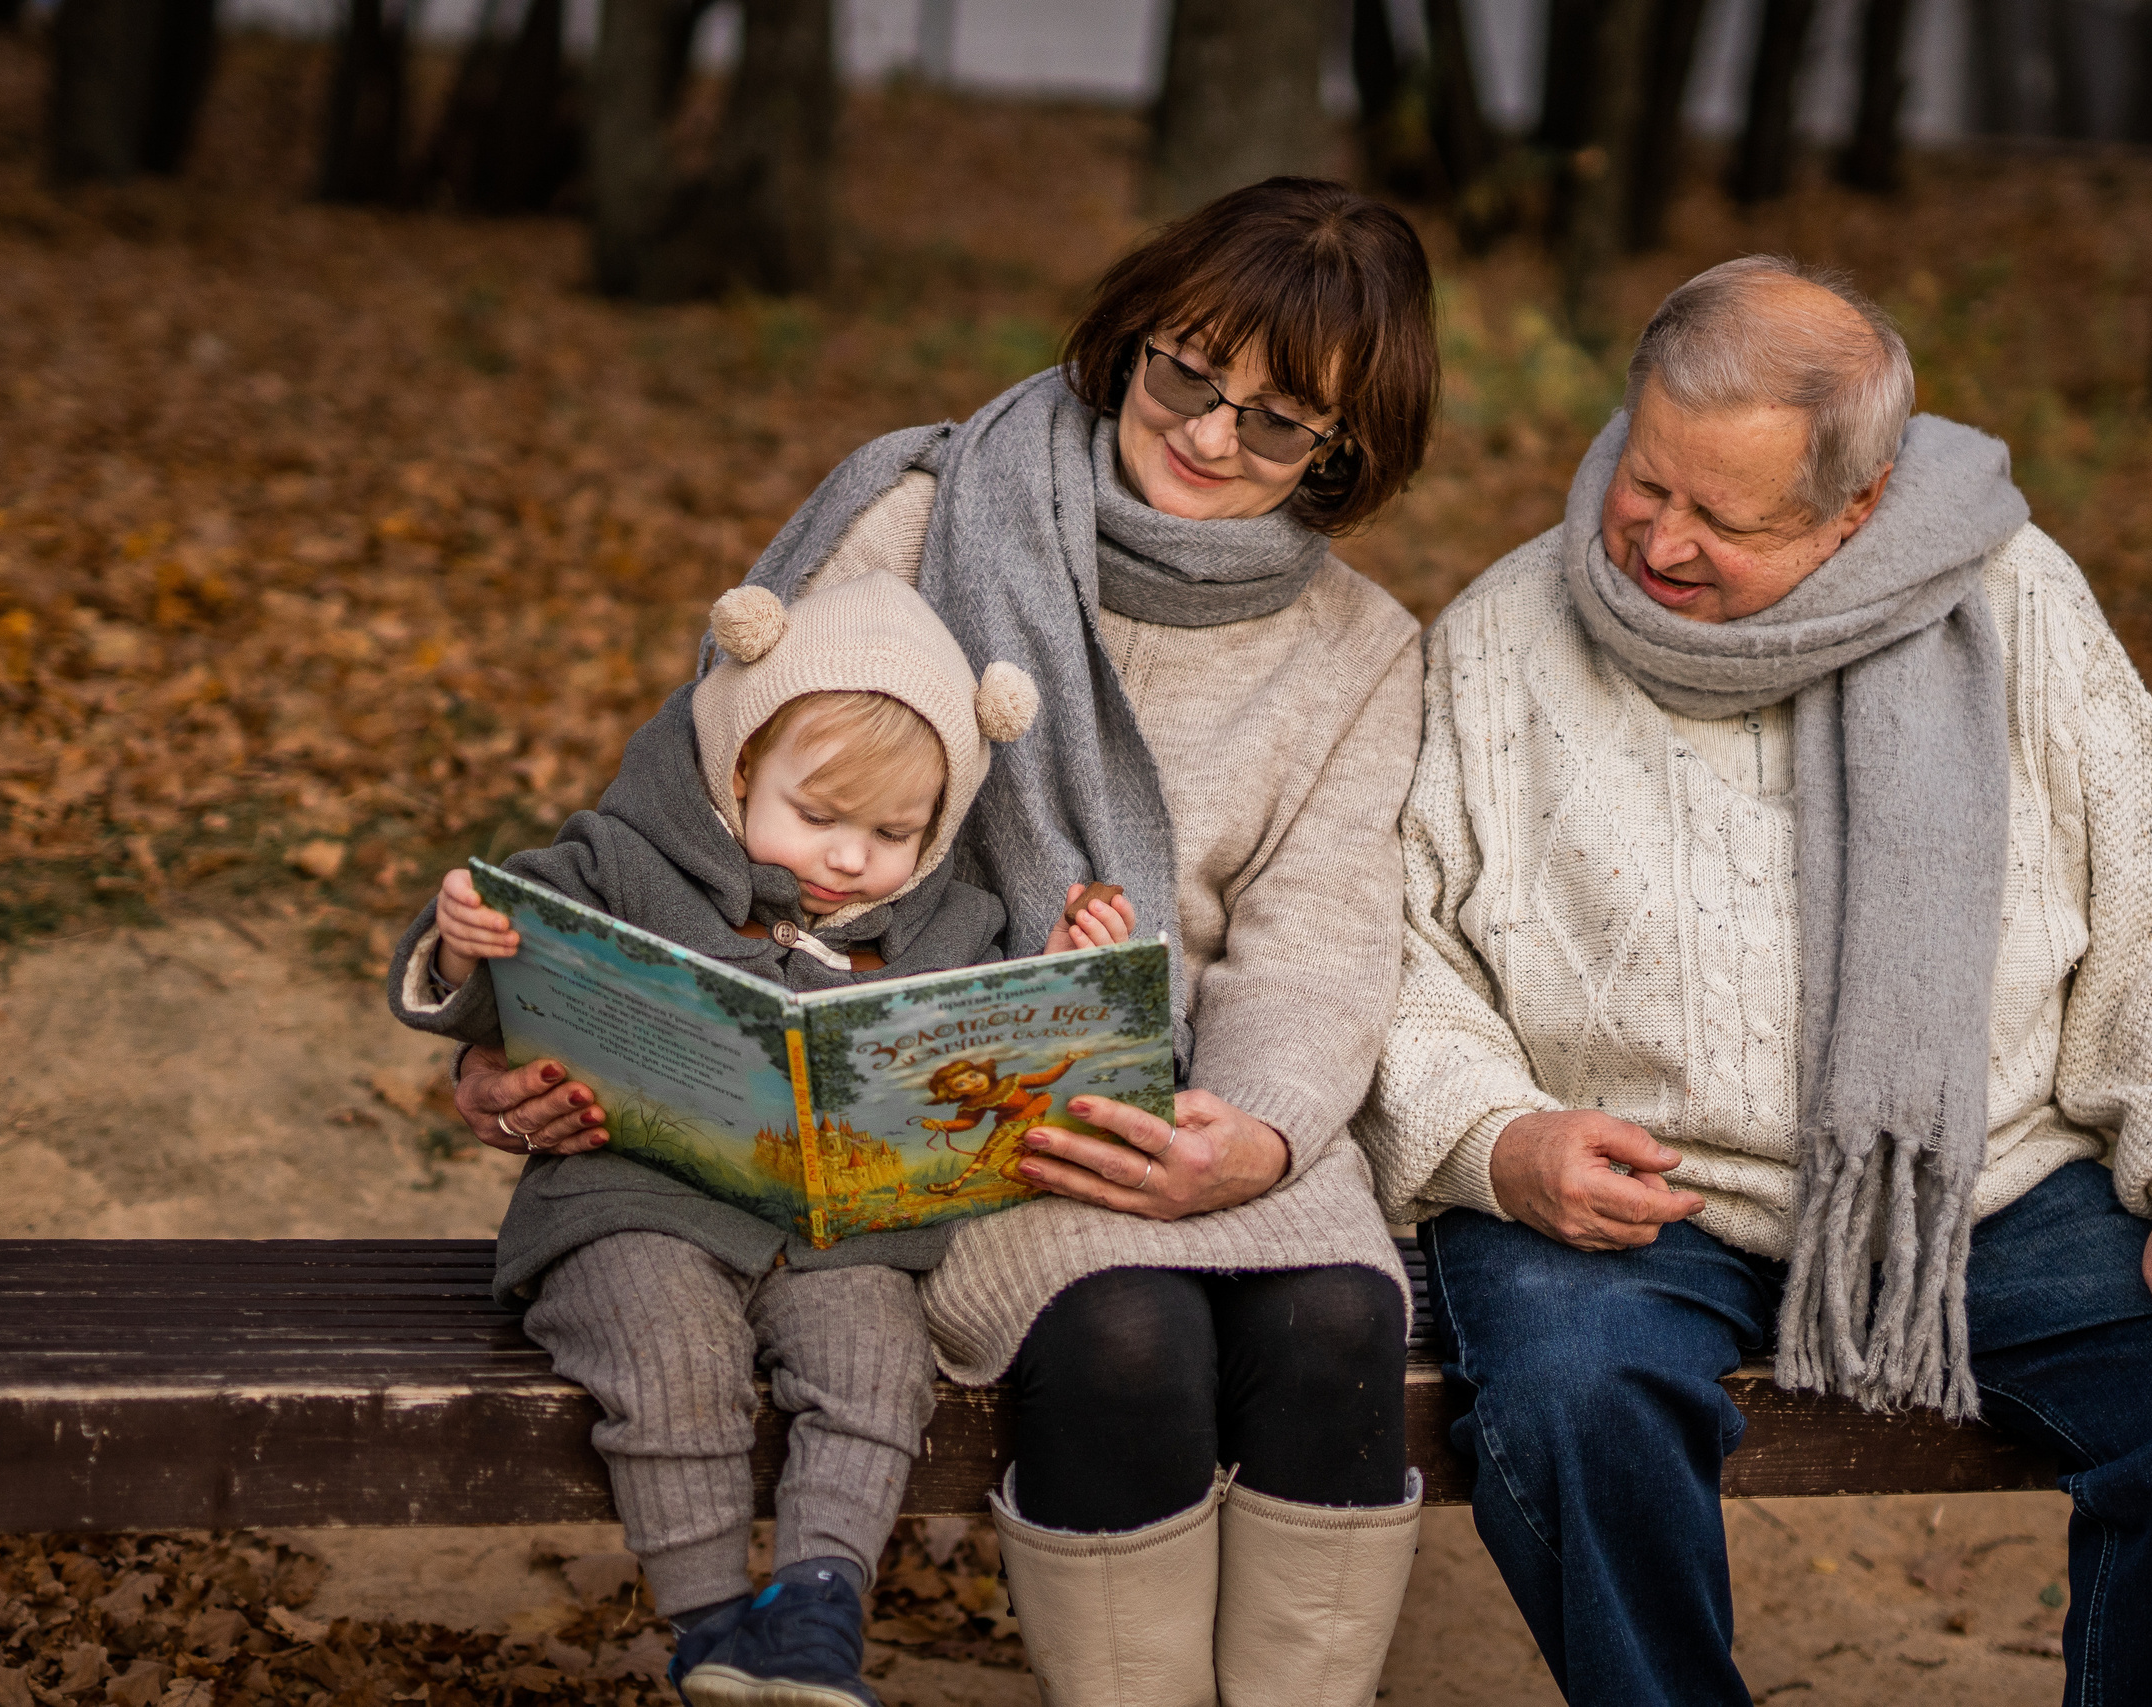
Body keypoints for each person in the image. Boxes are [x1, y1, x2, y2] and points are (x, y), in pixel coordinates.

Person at [447, 176, 1443, 1707]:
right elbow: (718, 799)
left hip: (1220, 1103)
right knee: (1127, 1336)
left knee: (1334, 1317)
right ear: (1132, 336)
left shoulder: (1361, 646)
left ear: (1345, 452)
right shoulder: (921, 513)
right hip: (960, 1121)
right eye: (1186, 370)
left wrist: (1251, 1132)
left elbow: (1318, 935)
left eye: (1279, 421)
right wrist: (539, 1036)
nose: (1206, 435)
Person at [1359, 254, 2152, 1707]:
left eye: (1724, 514)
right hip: (1624, 1176)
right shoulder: (1505, 636)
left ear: (1859, 505)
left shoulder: (2018, 604)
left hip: (1975, 1169)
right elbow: (1399, 950)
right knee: (1575, 1403)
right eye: (1646, 477)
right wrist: (1500, 1139)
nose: (1656, 537)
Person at [388, 567, 1131, 1707]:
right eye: (817, 817)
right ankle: (711, 1624)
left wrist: (1070, 969)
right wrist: (460, 948)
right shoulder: (618, 865)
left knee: (876, 1367)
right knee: (669, 1351)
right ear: (737, 773)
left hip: (838, 1232)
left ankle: (818, 1609)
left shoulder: (949, 925)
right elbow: (503, 995)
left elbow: (1005, 1067)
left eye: (893, 832)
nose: (847, 858)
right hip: (631, 1201)